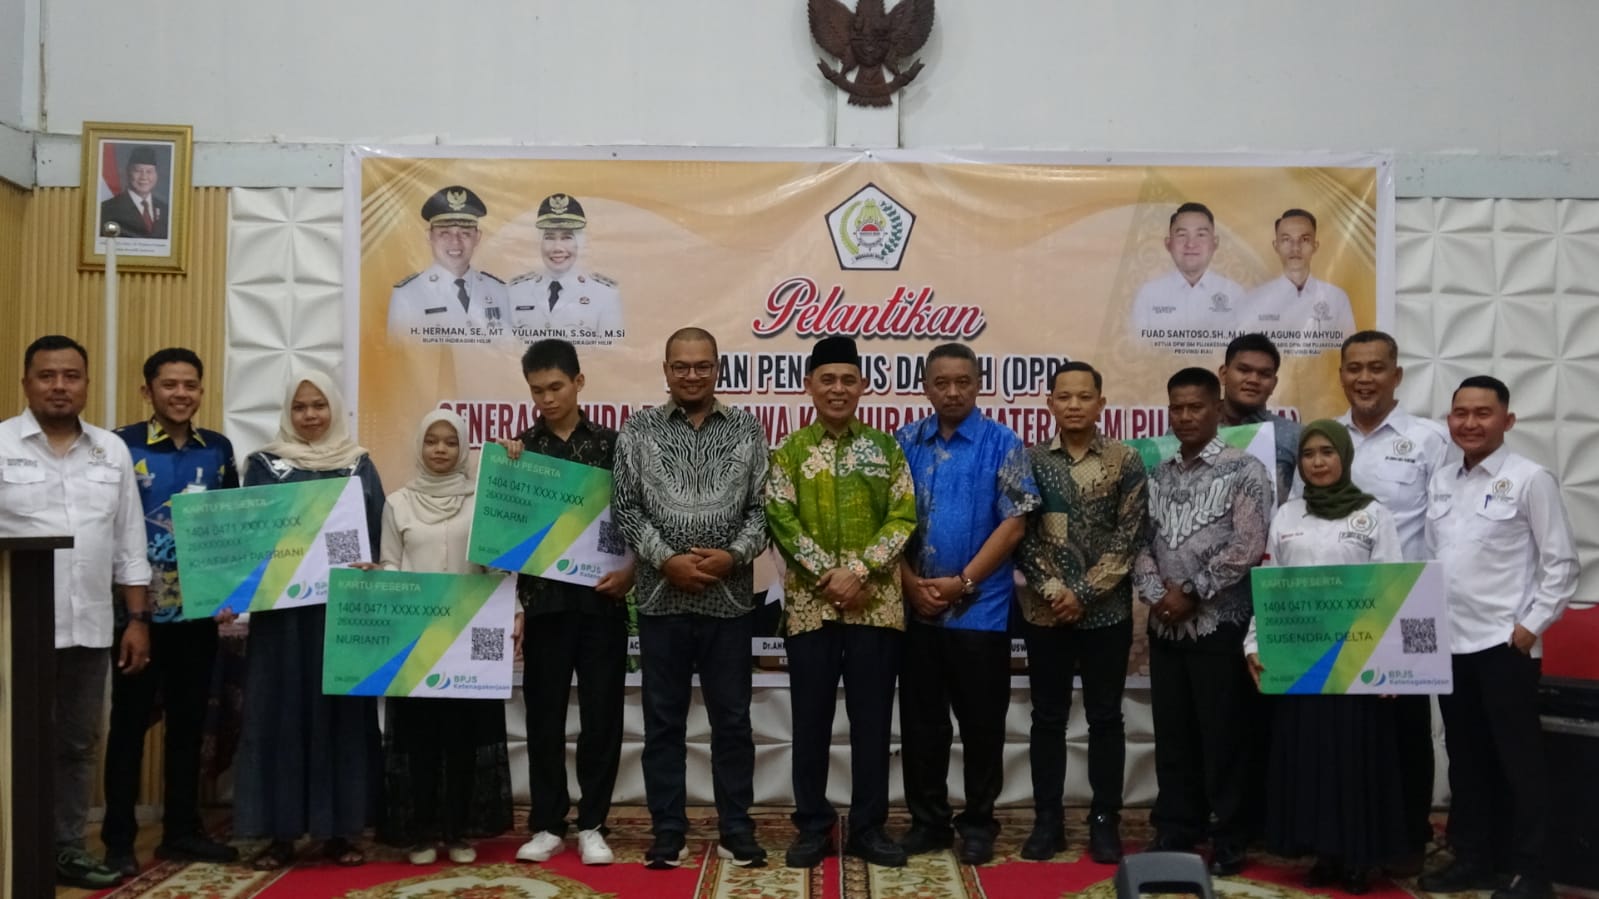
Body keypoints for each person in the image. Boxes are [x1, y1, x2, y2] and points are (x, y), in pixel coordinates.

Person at [612, 327, 769, 869]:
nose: (692, 375)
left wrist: (733, 555)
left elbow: (762, 510)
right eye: (681, 366)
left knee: (733, 722)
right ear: (665, 371)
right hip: (662, 599)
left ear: (717, 369)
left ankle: (737, 828)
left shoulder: (748, 429)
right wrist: (667, 561)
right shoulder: (638, 431)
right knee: (663, 723)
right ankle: (668, 831)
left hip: (730, 602)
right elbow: (626, 508)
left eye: (702, 365)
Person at [0, 335, 153, 889]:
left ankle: (65, 848)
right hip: (12, 632)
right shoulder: (1, 444)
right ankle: (12, 846)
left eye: (71, 376)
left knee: (77, 743)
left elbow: (129, 542)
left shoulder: (110, 451)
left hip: (89, 627)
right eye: (47, 376)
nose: (59, 386)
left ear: (86, 384)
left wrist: (137, 620)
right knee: (12, 742)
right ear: (26, 383)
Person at [1418, 376, 1578, 899]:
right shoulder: (1442, 480)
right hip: (1450, 644)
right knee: (1466, 760)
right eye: (1460, 413)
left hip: (1505, 645)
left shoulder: (1531, 479)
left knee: (1519, 763)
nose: (1469, 423)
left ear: (1507, 420)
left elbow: (1561, 563)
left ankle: (1531, 871)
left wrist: (1530, 627)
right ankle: (1473, 858)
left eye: (1482, 413)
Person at [765, 336, 918, 869]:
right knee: (810, 720)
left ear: (863, 386)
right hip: (811, 608)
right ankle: (812, 825)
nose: (837, 389)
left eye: (848, 380)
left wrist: (857, 572)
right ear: (809, 385)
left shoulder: (886, 449)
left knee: (872, 722)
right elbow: (780, 518)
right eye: (827, 379)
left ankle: (869, 827)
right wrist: (827, 575)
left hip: (875, 607)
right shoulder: (788, 452)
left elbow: (903, 516)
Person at [1243, 421, 1408, 894]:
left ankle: (1359, 858)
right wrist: (1253, 644)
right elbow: (1271, 586)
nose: (1317, 462)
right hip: (1301, 660)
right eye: (1309, 454)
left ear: (1344, 457)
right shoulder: (1287, 515)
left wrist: (1391, 663)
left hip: (1357, 660)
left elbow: (1391, 587)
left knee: (1354, 757)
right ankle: (1324, 853)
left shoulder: (1373, 514)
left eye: (1327, 452)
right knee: (1311, 758)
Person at [233, 370, 385, 870]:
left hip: (340, 615)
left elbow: (377, 534)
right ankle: (279, 833)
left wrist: (372, 564)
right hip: (282, 621)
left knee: (340, 716)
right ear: (288, 412)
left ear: (335, 407)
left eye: (319, 405)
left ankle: (340, 830)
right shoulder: (263, 466)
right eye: (300, 407)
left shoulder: (359, 464)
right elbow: (248, 537)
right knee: (280, 714)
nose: (310, 415)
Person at [894, 343, 1040, 865]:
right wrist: (910, 584)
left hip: (981, 610)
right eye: (942, 382)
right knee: (922, 725)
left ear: (978, 384)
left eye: (963, 382)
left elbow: (1015, 524)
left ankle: (978, 823)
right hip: (915, 608)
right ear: (926, 387)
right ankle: (928, 822)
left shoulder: (1003, 443)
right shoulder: (904, 442)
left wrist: (963, 583)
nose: (952, 392)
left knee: (982, 725)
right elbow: (885, 523)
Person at [101, 349, 240, 878]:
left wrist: (230, 593)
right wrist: (131, 613)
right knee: (128, 726)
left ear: (201, 391)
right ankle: (118, 840)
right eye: (170, 385)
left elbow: (231, 527)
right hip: (135, 616)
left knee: (188, 725)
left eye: (190, 385)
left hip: (197, 615)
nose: (181, 394)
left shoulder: (218, 449)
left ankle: (181, 831)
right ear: (148, 391)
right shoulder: (119, 446)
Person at [1133, 367, 1272, 876]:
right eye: (1178, 408)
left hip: (1220, 625)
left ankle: (1230, 835)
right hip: (1166, 626)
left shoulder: (1245, 469)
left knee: (1224, 735)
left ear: (1217, 409)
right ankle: (1176, 827)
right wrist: (1157, 595)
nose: (1186, 416)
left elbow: (1248, 546)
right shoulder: (1158, 474)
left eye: (1196, 407)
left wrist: (1191, 591)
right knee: (1173, 733)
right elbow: (1140, 543)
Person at [501, 339, 633, 867]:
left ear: (579, 382)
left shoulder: (614, 446)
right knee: (544, 717)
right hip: (544, 605)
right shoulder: (520, 451)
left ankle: (593, 824)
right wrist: (505, 472)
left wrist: (631, 572)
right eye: (537, 391)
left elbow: (636, 516)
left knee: (602, 716)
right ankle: (548, 824)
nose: (547, 399)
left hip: (602, 601)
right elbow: (504, 533)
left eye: (556, 387)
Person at [1014, 361, 1147, 864]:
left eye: (1084, 396)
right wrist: (1055, 591)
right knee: (1047, 718)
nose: (1074, 405)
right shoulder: (1028, 461)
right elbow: (1021, 536)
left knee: (1105, 717)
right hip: (1045, 613)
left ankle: (1104, 820)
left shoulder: (1125, 460)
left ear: (1100, 403)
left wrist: (1084, 592)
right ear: (1049, 403)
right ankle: (1047, 821)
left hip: (1106, 614)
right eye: (1064, 396)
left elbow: (1129, 536)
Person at [370, 409, 513, 865]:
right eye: (431, 440)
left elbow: (496, 566)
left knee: (463, 737)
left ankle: (458, 832)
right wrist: (377, 578)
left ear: (464, 448)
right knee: (420, 739)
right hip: (415, 641)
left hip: (470, 639)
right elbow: (390, 562)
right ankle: (422, 833)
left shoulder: (482, 500)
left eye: (451, 442)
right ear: (419, 445)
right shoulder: (398, 503)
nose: (440, 450)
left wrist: (512, 611)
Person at [1335, 330, 1451, 870]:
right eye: (1354, 368)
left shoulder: (1430, 439)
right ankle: (1347, 833)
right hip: (1339, 604)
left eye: (1376, 368)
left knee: (1406, 725)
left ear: (1396, 375)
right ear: (1342, 374)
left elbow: (1449, 519)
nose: (1365, 379)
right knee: (1348, 726)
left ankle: (1408, 836)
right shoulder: (1325, 435)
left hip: (1408, 602)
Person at [387, 185, 511, 341]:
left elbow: (510, 351)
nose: (455, 242)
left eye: (465, 233)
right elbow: (396, 354)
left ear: (477, 237)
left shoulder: (498, 291)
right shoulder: (408, 295)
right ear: (429, 236)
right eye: (444, 233)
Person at [508, 193, 625, 345]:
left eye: (567, 238)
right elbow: (506, 352)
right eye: (549, 237)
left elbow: (610, 354)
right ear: (539, 242)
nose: (557, 248)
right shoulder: (516, 291)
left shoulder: (605, 295)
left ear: (580, 242)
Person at [1128, 202, 1246, 354]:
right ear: (1168, 244)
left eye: (1201, 235)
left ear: (1215, 243)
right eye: (1182, 235)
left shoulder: (1235, 294)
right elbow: (1138, 350)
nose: (1190, 244)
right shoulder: (1148, 293)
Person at [1241, 209, 1357, 355]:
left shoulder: (1336, 298)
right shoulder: (1256, 298)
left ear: (1315, 246)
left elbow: (1349, 354)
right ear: (1276, 246)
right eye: (1286, 240)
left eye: (1304, 239)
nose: (1295, 248)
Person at [1218, 332, 1301, 503]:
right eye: (1244, 370)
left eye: (1264, 374)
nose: (1254, 380)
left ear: (1274, 384)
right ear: (1224, 374)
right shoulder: (1187, 432)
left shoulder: (1295, 436)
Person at [99, 146, 169, 239]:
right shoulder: (107, 209)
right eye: (138, 171)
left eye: (149, 171)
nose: (144, 177)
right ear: (128, 172)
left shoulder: (166, 210)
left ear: (156, 175)